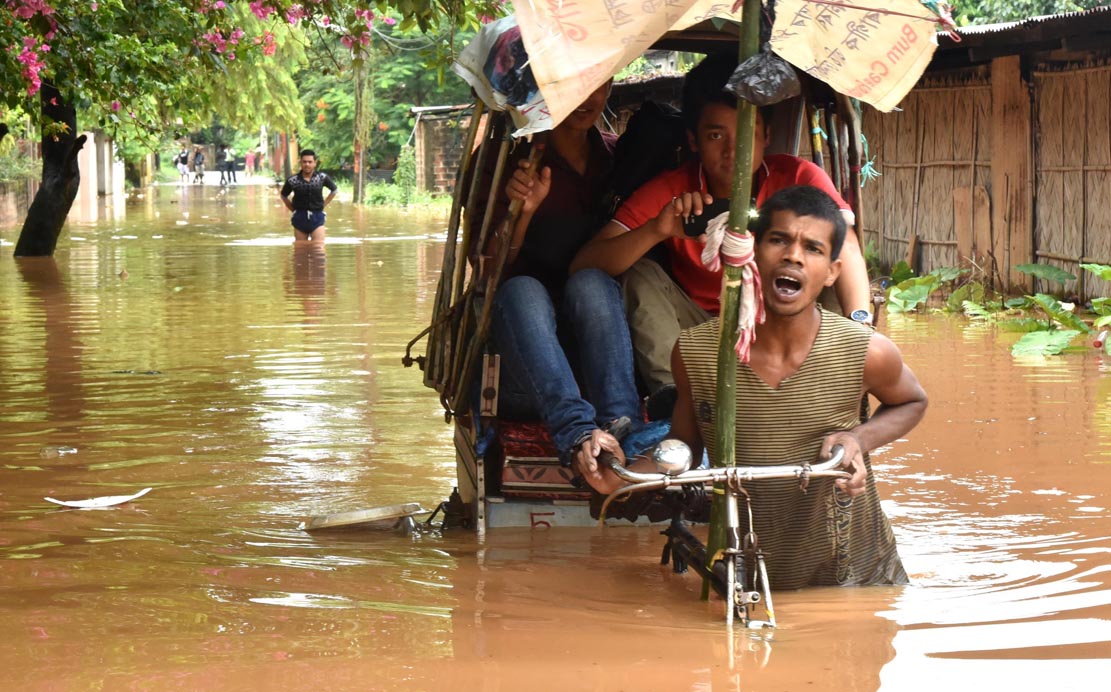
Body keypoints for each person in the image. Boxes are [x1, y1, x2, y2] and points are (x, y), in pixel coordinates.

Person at [585, 185, 928, 588]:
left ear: (833, 271)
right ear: (751, 251)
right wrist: (617, 473)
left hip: (859, 578)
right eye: (779, 240)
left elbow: (913, 402)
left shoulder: (865, 351)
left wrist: (858, 438)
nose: (793, 256)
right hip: (750, 578)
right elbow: (685, 448)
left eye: (813, 249)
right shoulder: (696, 353)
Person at [571, 53, 873, 420]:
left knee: (826, 264)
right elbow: (585, 264)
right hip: (695, 330)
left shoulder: (798, 177)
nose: (733, 151)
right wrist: (657, 230)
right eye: (716, 135)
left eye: (746, 134)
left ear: (765, 135)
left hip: (776, 323)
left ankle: (812, 395)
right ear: (694, 141)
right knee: (640, 273)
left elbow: (849, 248)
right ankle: (674, 400)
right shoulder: (672, 189)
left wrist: (860, 326)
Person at [466, 81, 643, 493]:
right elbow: (488, 270)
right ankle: (579, 435)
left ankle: (624, 430)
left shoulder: (615, 158)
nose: (585, 99)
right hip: (523, 369)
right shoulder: (504, 160)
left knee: (593, 282)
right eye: (573, 86)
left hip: (597, 368)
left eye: (597, 86)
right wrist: (522, 213)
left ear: (610, 86)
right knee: (524, 289)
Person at [280, 149, 338, 243]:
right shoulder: (293, 180)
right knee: (300, 251)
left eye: (310, 162)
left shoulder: (322, 178)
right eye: (304, 162)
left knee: (318, 249)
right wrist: (293, 210)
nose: (307, 164)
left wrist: (324, 204)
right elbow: (283, 195)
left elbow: (334, 190)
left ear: (315, 163)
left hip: (317, 216)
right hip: (299, 217)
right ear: (301, 163)